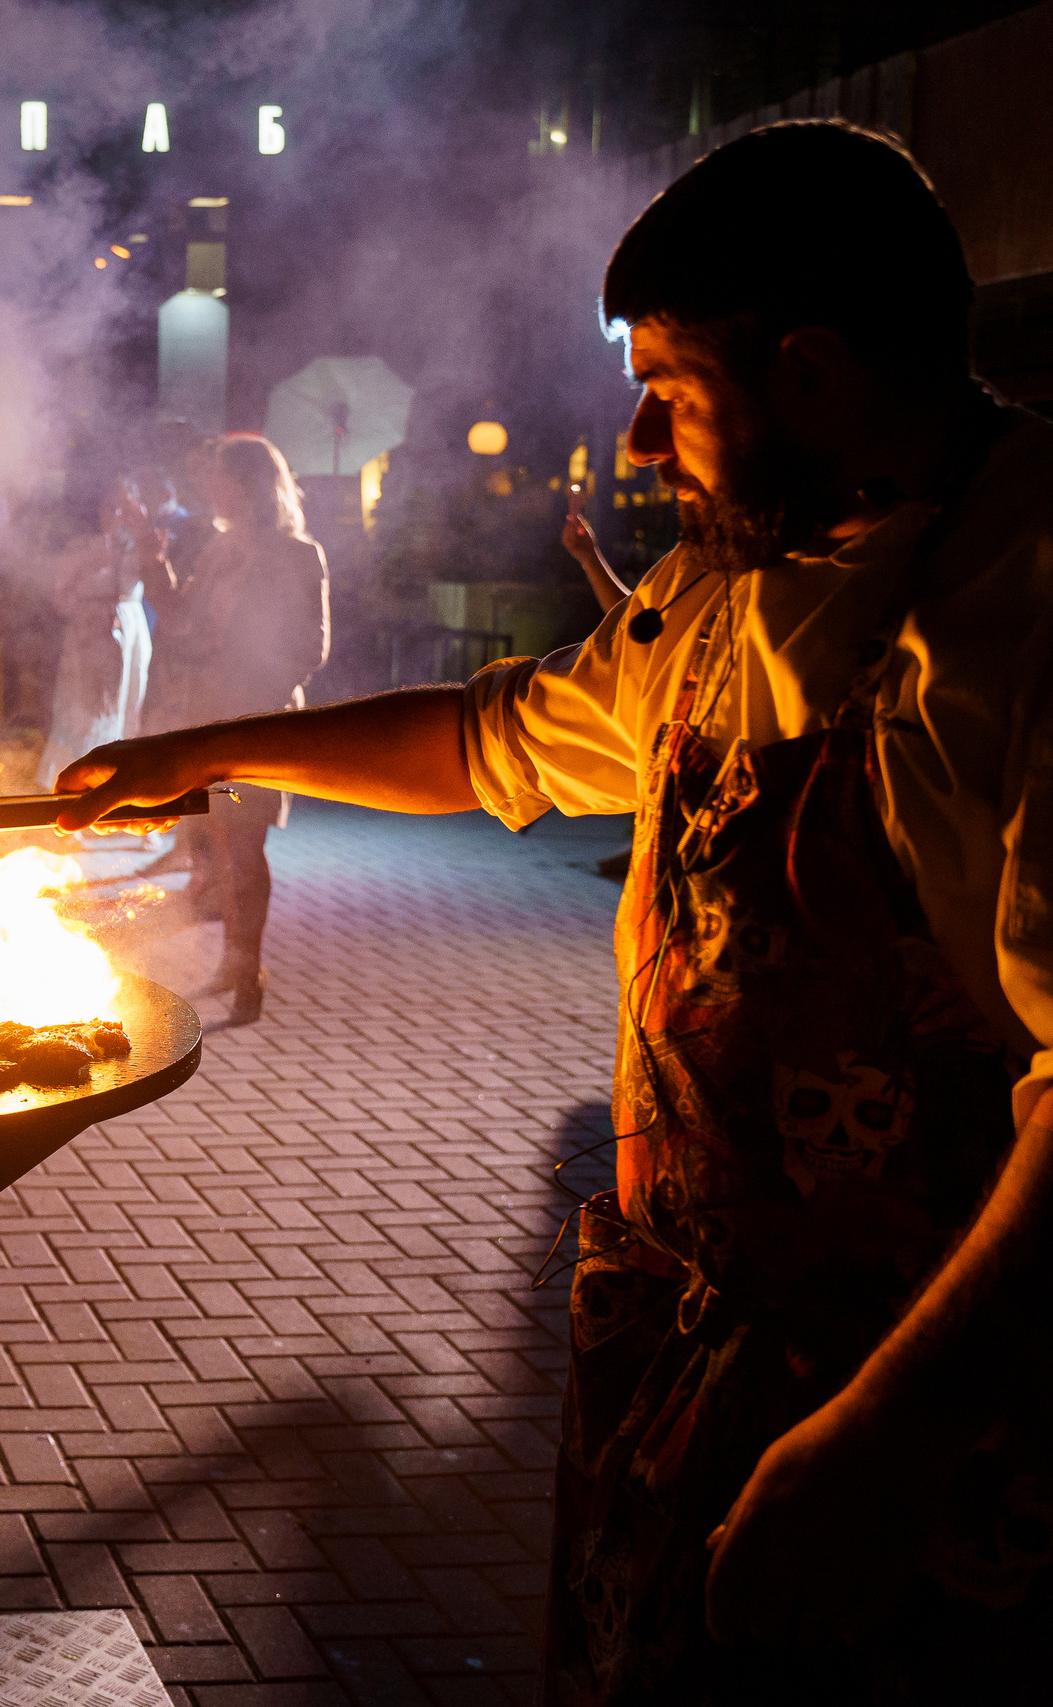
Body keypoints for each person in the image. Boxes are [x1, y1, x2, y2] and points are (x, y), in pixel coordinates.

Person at [57, 120, 1053, 1704]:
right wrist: (197, 749)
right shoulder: (728, 591)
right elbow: (486, 739)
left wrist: (884, 1433)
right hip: (692, 1364)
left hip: (941, 1410)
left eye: (674, 387)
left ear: (808, 373)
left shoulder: (1029, 606)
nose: (645, 443)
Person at [146, 434, 329, 1025]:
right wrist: (155, 570)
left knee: (244, 847)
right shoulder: (218, 551)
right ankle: (233, 960)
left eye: (219, 477)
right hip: (207, 718)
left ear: (248, 483)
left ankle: (247, 969)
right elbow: (181, 626)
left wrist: (251, 678)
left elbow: (312, 646)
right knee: (221, 846)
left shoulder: (297, 554)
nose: (208, 488)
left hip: (258, 722)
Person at [35, 474, 158, 791]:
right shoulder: (80, 546)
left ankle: (120, 792)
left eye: (122, 507)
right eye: (109, 506)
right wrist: (89, 566)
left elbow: (160, 581)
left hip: (130, 632)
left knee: (128, 709)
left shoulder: (140, 546)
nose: (115, 514)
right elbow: (59, 602)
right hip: (88, 634)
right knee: (83, 713)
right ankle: (72, 792)